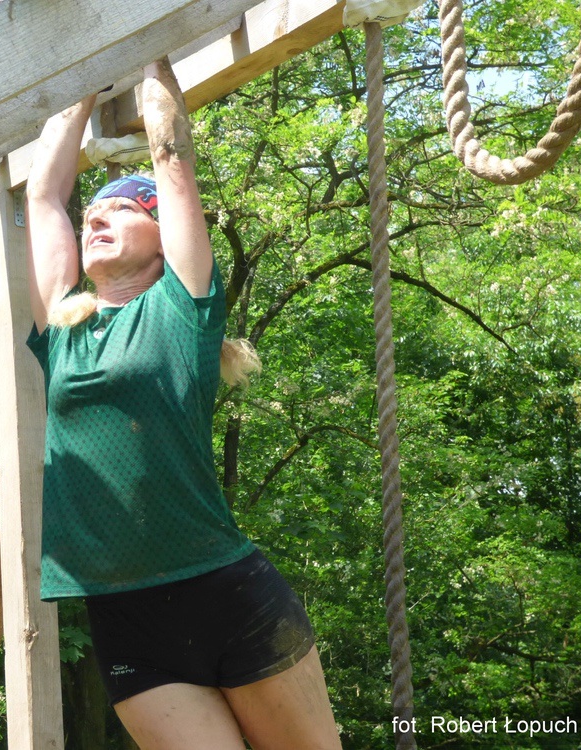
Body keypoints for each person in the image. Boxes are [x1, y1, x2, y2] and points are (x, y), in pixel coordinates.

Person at [24, 59, 343, 750]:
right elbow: (44, 197)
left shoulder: (180, 310)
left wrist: (143, 46)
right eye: (93, 212)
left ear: (162, 236)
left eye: (122, 209)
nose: (97, 215)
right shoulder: (64, 330)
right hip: (126, 620)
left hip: (226, 594)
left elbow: (171, 160)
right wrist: (82, 70)